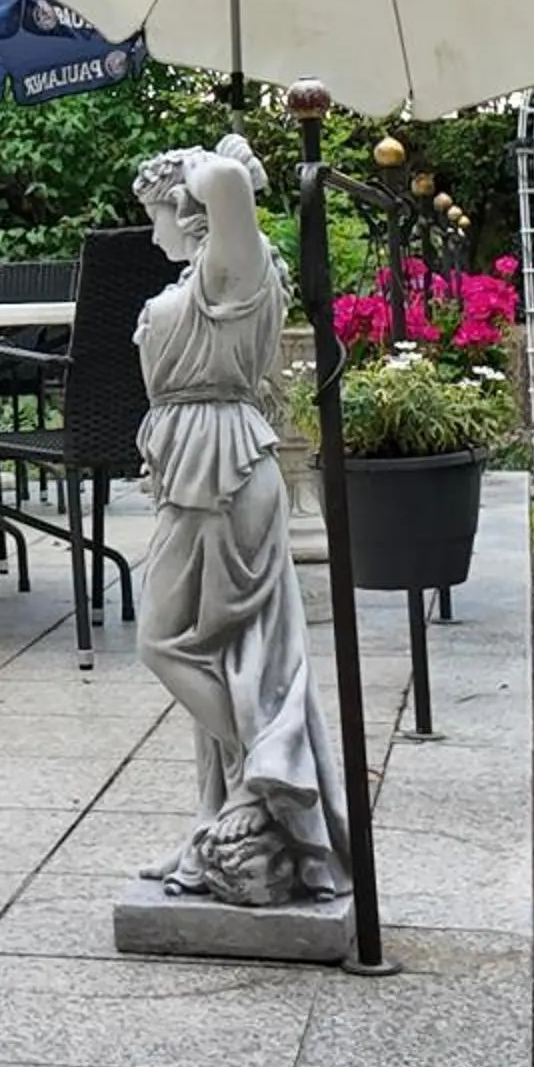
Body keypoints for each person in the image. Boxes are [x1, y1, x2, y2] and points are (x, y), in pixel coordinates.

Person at [131, 134, 350, 907]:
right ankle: (212, 815)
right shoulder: (204, 277)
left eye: (155, 212)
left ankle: (265, 777)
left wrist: (211, 161)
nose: (148, 229)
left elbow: (226, 180)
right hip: (197, 468)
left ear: (183, 212)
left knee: (162, 641)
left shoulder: (235, 273)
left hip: (221, 473)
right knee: (219, 653)